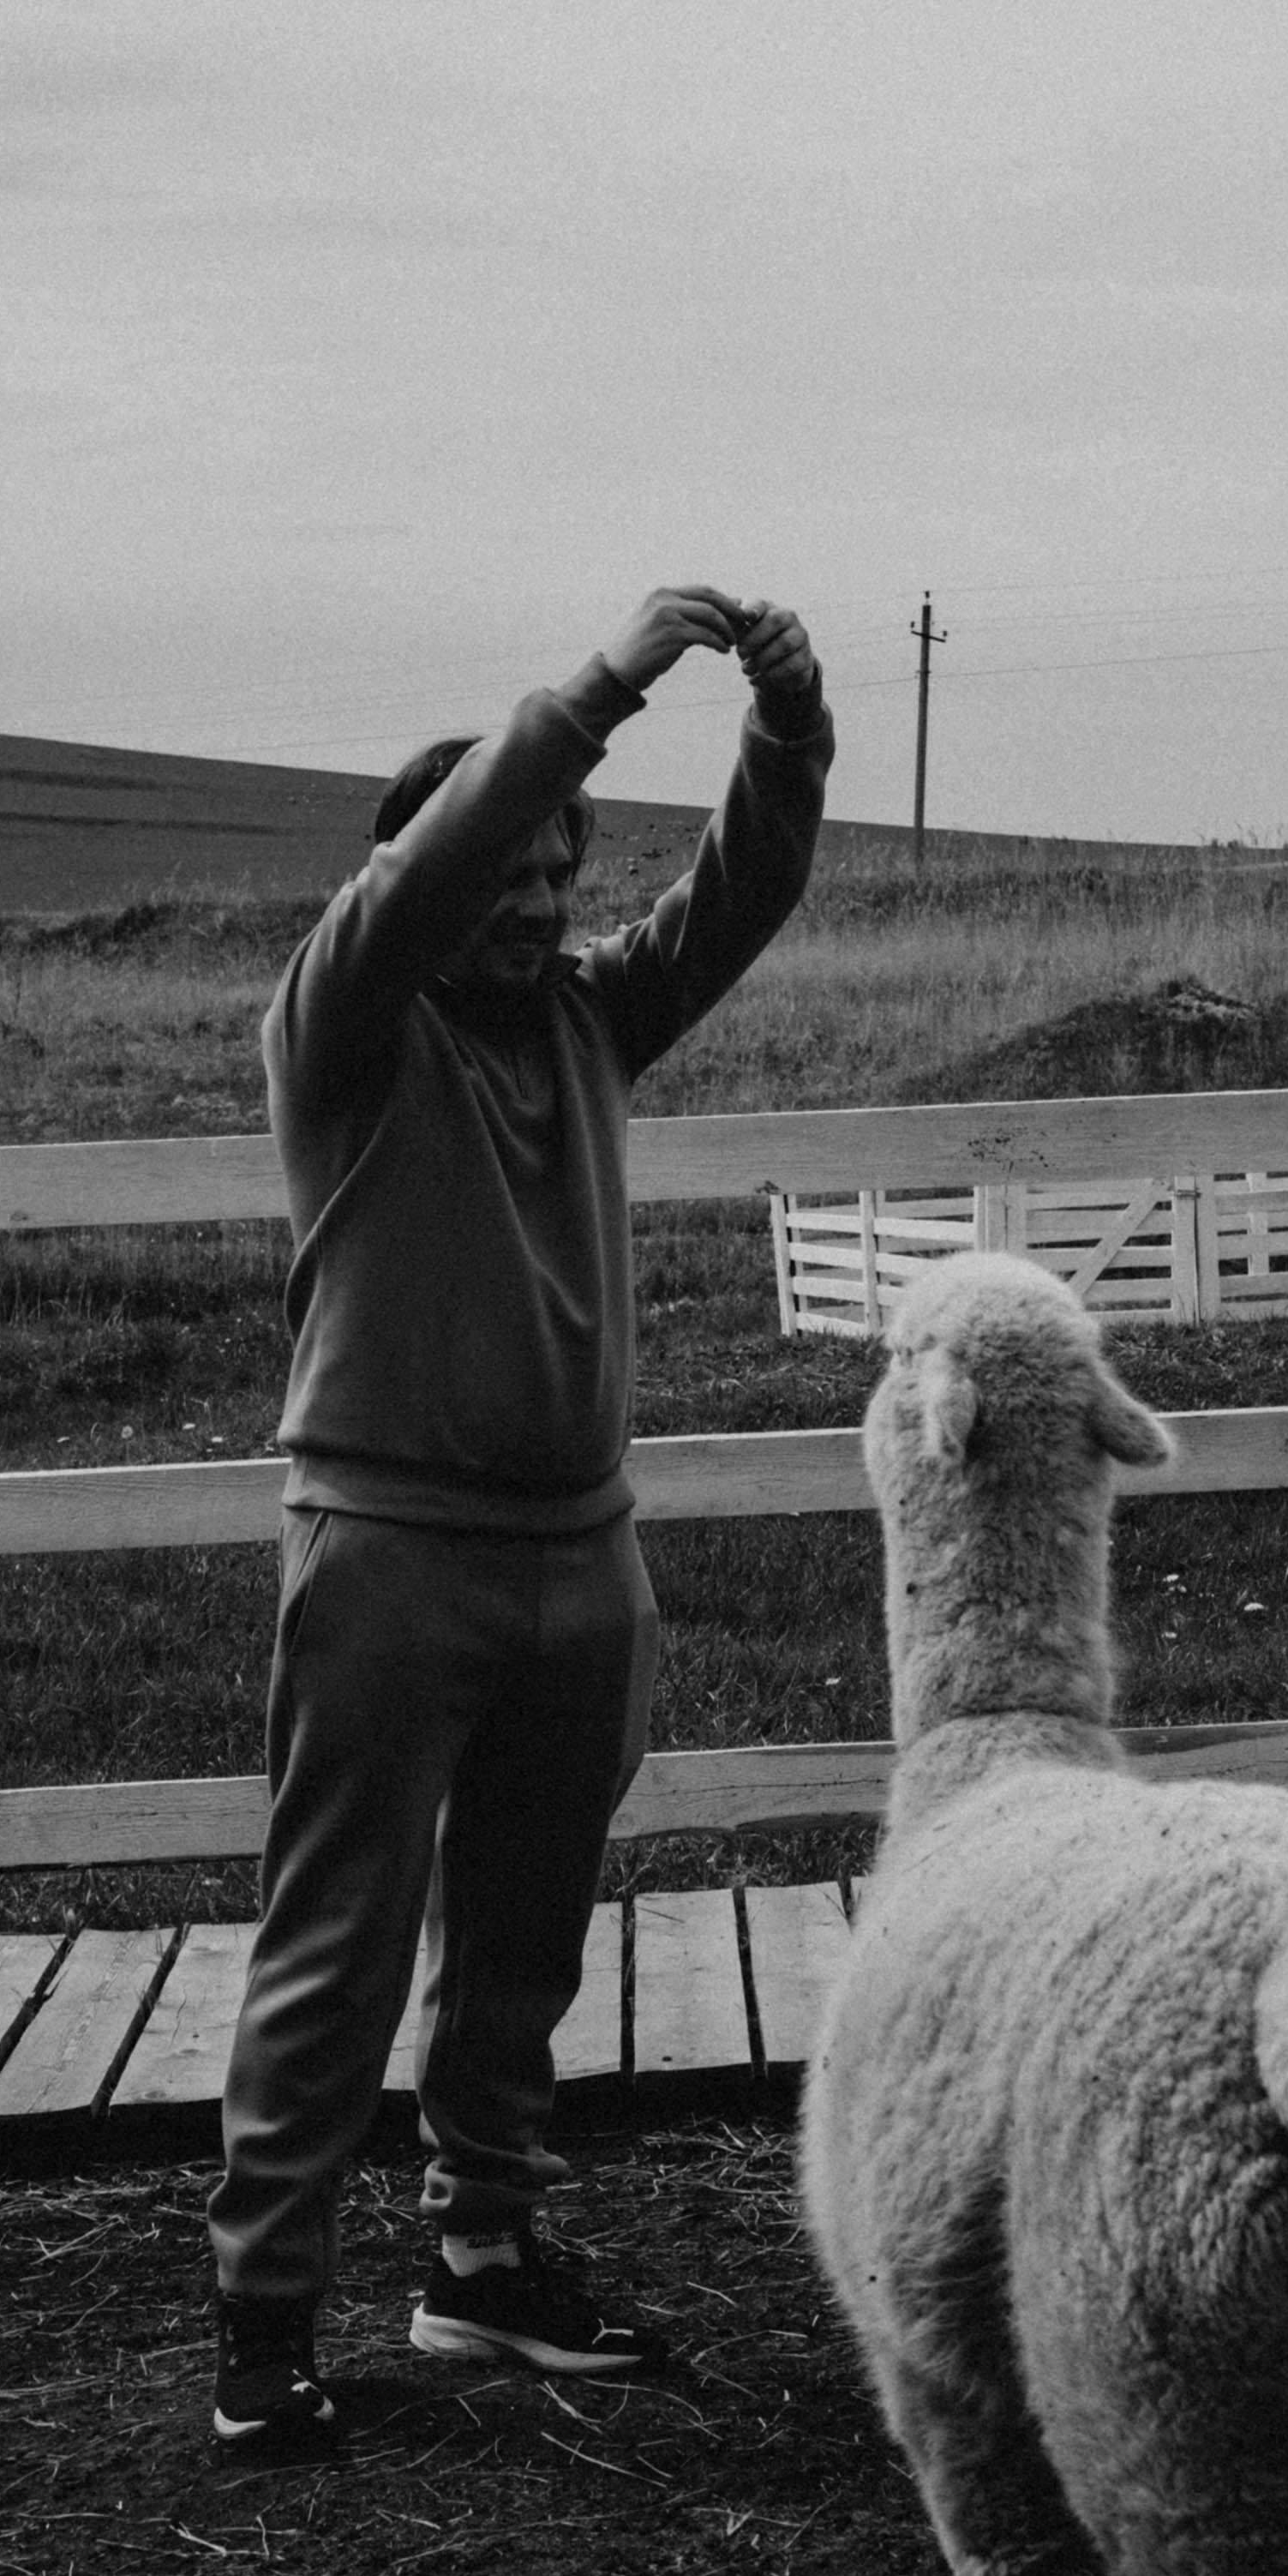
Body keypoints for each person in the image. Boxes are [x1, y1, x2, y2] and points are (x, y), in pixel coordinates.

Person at [207, 584, 833, 2454]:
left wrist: (786, 723)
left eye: (562, 872)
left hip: (583, 1552)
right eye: (508, 867)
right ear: (420, 875)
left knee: (522, 1941)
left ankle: (479, 2254)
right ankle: (263, 2317)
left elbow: (742, 891)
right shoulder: (342, 1025)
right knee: (337, 1938)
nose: (540, 899)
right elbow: (452, 844)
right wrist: (613, 680)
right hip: (388, 1551)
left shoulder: (587, 1021)